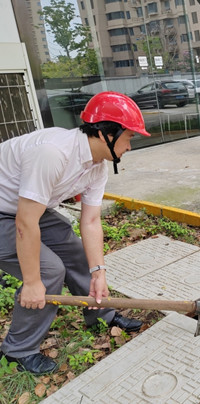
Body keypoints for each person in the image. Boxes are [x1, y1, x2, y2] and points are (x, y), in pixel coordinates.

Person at [0, 91, 150, 374]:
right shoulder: (53, 152)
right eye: (129, 137)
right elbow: (24, 224)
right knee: (48, 271)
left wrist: (99, 271)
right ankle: (17, 351)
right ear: (107, 132)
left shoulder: (96, 166)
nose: (130, 146)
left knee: (76, 254)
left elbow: (91, 221)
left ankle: (100, 314)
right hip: (9, 212)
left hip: (26, 207)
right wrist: (32, 282)